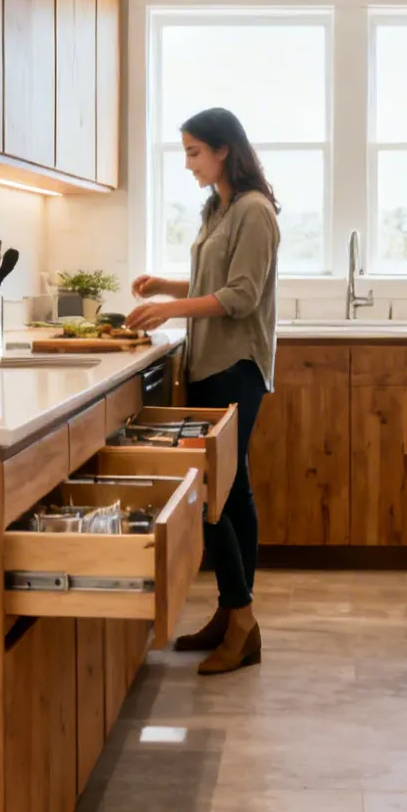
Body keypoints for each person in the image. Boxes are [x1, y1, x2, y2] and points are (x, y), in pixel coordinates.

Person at [127, 107, 280, 676]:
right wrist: (167, 284)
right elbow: (217, 281)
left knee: (216, 492)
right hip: (210, 363)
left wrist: (171, 309)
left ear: (223, 150)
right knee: (230, 492)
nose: (188, 162)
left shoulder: (255, 211)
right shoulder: (217, 208)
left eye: (194, 151)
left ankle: (241, 620)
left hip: (237, 366)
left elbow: (239, 295)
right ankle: (232, 614)